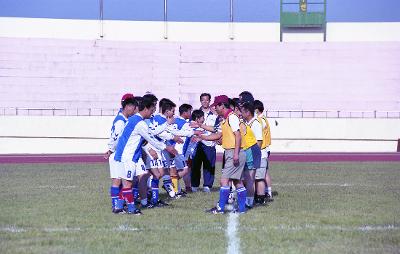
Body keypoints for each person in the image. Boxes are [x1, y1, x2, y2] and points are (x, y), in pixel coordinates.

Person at [114, 94, 177, 215]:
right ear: (146, 108)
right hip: (128, 156)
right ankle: (131, 209)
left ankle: (120, 207)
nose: (152, 113)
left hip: (131, 155)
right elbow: (151, 139)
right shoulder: (140, 123)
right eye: (152, 110)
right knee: (128, 183)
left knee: (138, 177)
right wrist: (167, 147)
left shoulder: (134, 119)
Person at [200, 95, 247, 214]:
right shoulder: (225, 119)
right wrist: (202, 137)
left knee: (224, 180)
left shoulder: (232, 117)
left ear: (222, 105)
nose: (215, 108)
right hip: (231, 151)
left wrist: (235, 154)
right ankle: (241, 209)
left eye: (216, 106)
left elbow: (238, 135)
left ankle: (221, 208)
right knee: (237, 181)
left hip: (234, 152)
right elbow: (218, 135)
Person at [104, 94, 138, 213]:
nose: (134, 110)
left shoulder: (123, 119)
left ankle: (119, 205)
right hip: (117, 154)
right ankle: (116, 206)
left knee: (121, 181)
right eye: (133, 107)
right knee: (117, 181)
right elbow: (117, 139)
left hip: (118, 154)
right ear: (127, 106)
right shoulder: (121, 121)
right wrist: (110, 150)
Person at [191, 93, 219, 192]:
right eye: (203, 100)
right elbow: (191, 126)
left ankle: (207, 185)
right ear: (200, 101)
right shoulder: (195, 113)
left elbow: (216, 129)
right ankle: (194, 185)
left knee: (209, 165)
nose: (205, 102)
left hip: (209, 142)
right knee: (195, 164)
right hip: (197, 142)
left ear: (209, 101)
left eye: (207, 100)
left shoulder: (215, 114)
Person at [240, 101, 263, 208]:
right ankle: (246, 199)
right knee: (246, 178)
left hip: (252, 152)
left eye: (242, 111)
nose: (240, 113)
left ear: (248, 112)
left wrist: (253, 154)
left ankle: (249, 201)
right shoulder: (247, 123)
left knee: (250, 178)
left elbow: (259, 141)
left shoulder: (256, 124)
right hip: (247, 151)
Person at [254, 99, 273, 202]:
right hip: (265, 148)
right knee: (264, 172)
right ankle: (267, 191)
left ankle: (266, 192)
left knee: (262, 174)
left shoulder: (260, 120)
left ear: (256, 110)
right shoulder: (263, 119)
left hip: (262, 149)